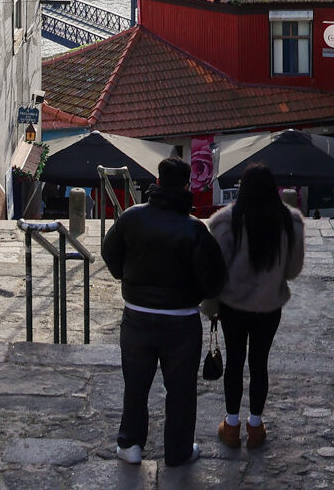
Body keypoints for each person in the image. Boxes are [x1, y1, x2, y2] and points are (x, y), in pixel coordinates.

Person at [101, 156, 228, 467]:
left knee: (136, 384)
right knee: (181, 389)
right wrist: (197, 293)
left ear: (157, 182)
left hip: (136, 316)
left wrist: (125, 277)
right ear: (186, 187)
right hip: (181, 321)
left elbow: (108, 250)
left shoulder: (131, 218)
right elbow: (214, 280)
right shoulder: (195, 230)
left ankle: (130, 445)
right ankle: (178, 450)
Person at [204, 164, 304, 449]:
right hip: (269, 304)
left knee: (235, 361)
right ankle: (256, 426)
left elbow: (215, 268)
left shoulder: (225, 222)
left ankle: (232, 426)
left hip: (233, 305)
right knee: (260, 362)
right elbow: (293, 270)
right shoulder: (289, 222)